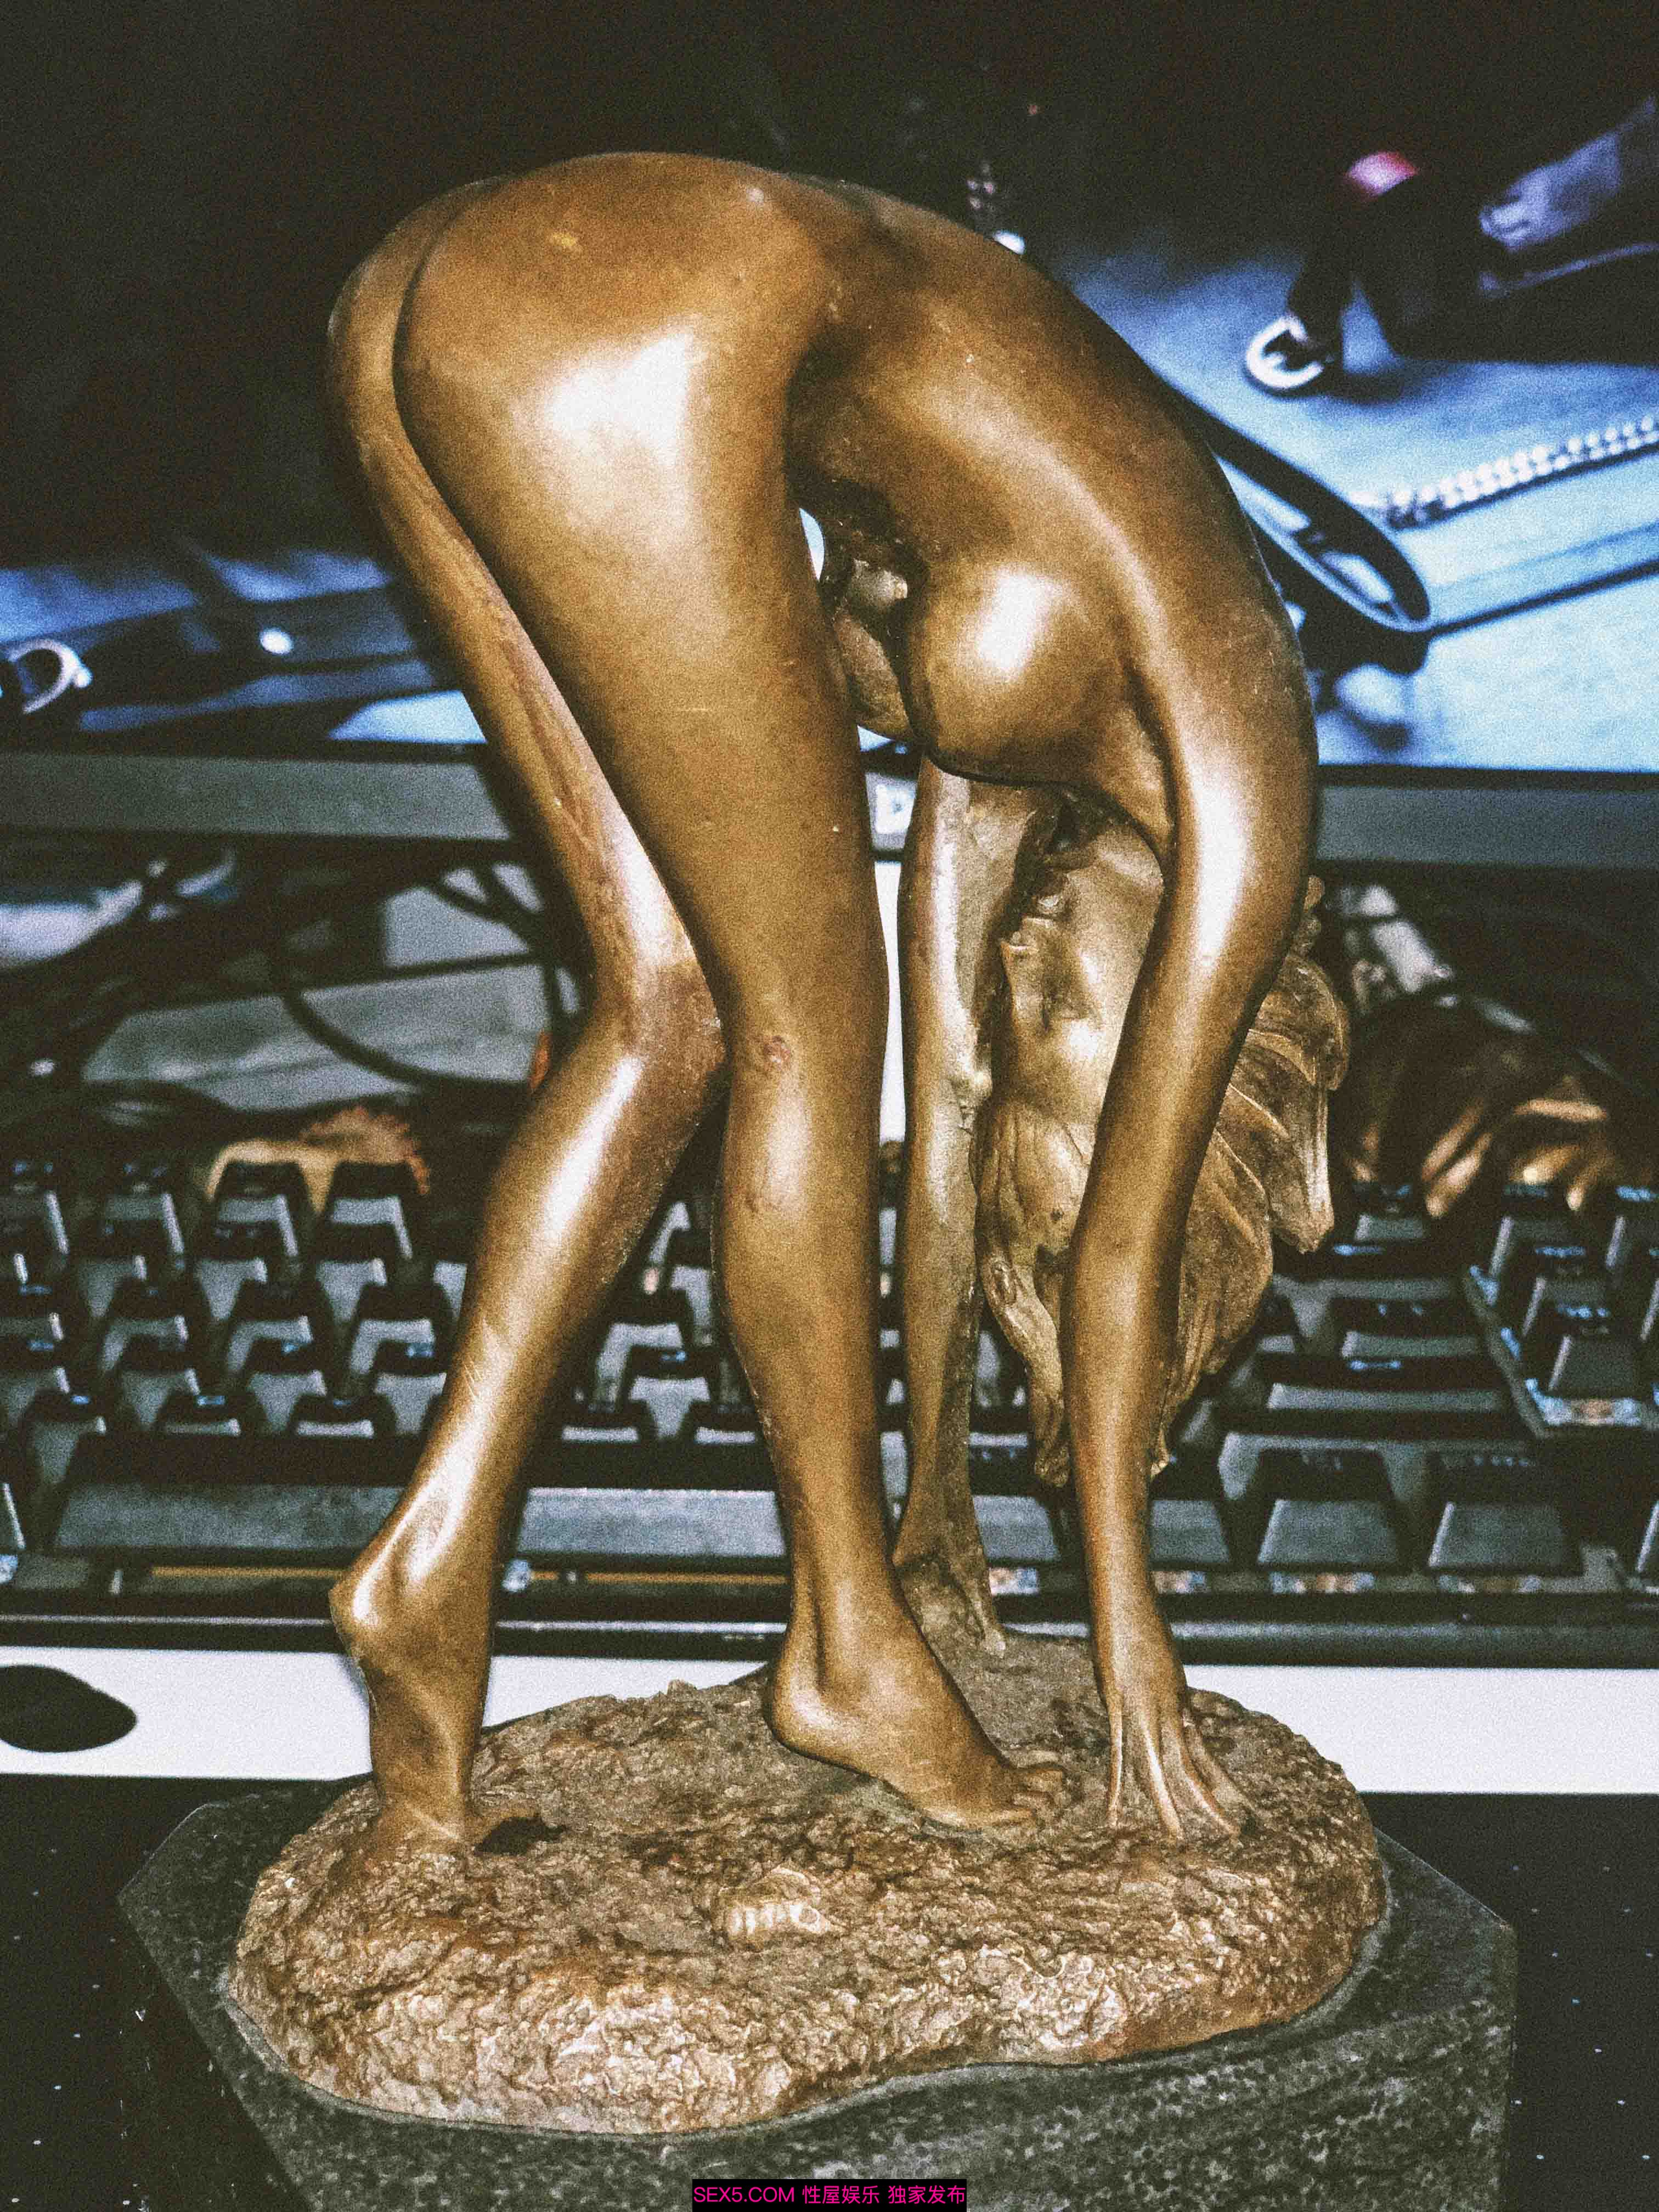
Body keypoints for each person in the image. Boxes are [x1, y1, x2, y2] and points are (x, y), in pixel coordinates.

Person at [325, 152, 1317, 1852]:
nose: (1039, 1016)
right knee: (805, 1023)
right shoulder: (1247, 786)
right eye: (1086, 1047)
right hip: (650, 294)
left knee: (675, 1009)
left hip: (445, 278)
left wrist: (944, 1509)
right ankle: (845, 1647)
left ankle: (431, 1562)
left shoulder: (1039, 737)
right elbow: (1122, 1251)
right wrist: (1132, 1650)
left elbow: (947, 1115)